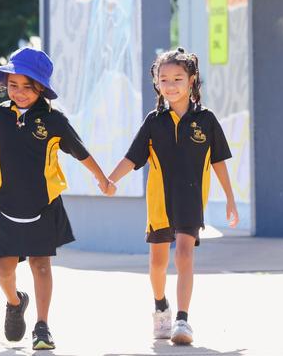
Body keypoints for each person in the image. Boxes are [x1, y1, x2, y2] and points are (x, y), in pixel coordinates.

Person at [0, 47, 114, 350]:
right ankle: (15, 302)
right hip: (7, 205)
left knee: (41, 265)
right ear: (5, 84)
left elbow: (80, 151)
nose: (19, 93)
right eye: (13, 85)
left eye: (28, 87)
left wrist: (102, 178)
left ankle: (42, 326)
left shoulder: (54, 121)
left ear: (42, 89)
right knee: (3, 268)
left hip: (44, 204)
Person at [107, 47, 239, 346]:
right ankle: (160, 306)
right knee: (157, 263)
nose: (171, 85)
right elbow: (132, 157)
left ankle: (182, 319)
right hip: (159, 204)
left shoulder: (206, 120)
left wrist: (230, 199)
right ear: (156, 83)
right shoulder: (154, 121)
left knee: (183, 254)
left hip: (191, 201)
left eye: (178, 78)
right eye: (163, 79)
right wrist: (110, 179)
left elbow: (218, 161)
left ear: (191, 80)